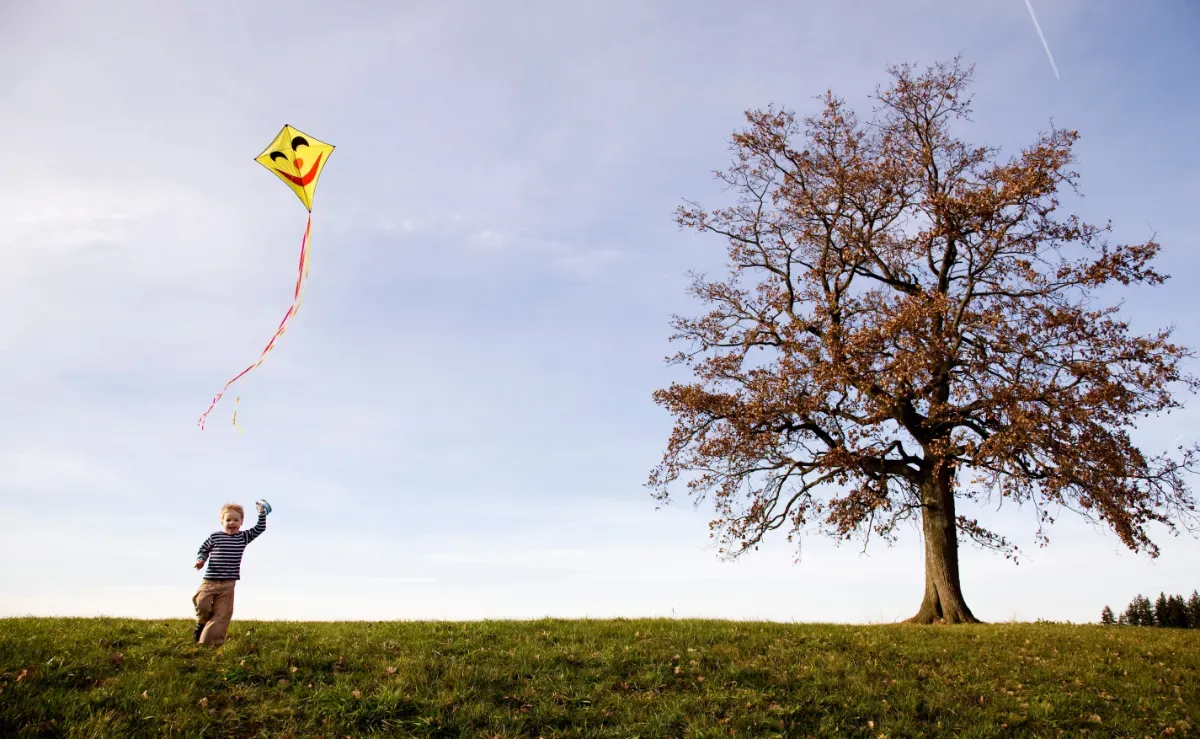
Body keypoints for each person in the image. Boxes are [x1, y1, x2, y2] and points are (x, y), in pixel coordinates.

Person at [191, 501, 268, 646]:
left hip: (228, 584)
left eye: (236, 520)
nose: (232, 522)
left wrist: (261, 512)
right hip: (210, 581)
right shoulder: (215, 537)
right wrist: (201, 560)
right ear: (222, 521)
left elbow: (260, 528)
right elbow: (203, 549)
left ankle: (207, 644)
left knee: (222, 614)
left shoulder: (243, 537)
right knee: (201, 603)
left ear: (241, 522)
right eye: (228, 520)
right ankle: (201, 622)